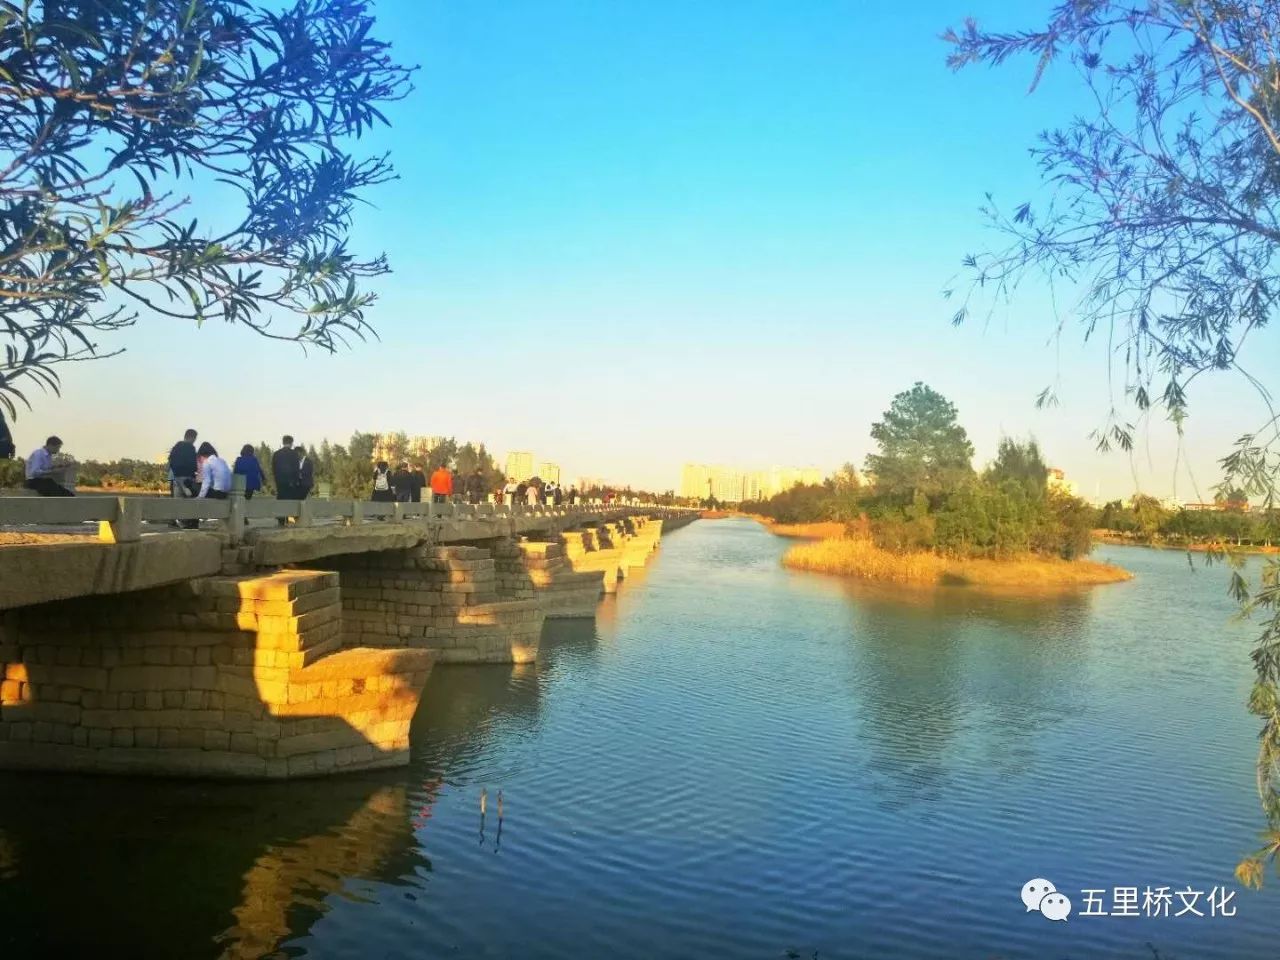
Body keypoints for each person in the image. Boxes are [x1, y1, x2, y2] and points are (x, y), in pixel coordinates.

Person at [168, 428, 199, 527]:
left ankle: (179, 522)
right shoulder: (191, 448)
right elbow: (194, 464)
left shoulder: (176, 447)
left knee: (177, 501)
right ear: (192, 437)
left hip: (176, 478)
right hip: (187, 479)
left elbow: (170, 461)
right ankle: (189, 523)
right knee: (189, 500)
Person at [271, 435, 299, 500]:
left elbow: (274, 468)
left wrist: (276, 479)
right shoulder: (294, 454)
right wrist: (296, 481)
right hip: (291, 481)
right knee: (290, 500)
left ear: (283, 442)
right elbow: (296, 469)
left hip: (279, 481)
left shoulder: (276, 454)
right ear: (291, 443)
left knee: (281, 499)